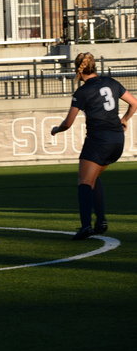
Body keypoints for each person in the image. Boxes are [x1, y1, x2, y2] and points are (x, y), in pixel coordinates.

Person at [51, 52, 137, 240]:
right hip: (117, 140)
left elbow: (68, 123)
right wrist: (124, 119)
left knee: (84, 182)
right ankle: (101, 222)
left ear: (78, 70)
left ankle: (86, 226)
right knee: (93, 177)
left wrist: (56, 129)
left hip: (98, 140)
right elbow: (134, 103)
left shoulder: (82, 92)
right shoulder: (111, 82)